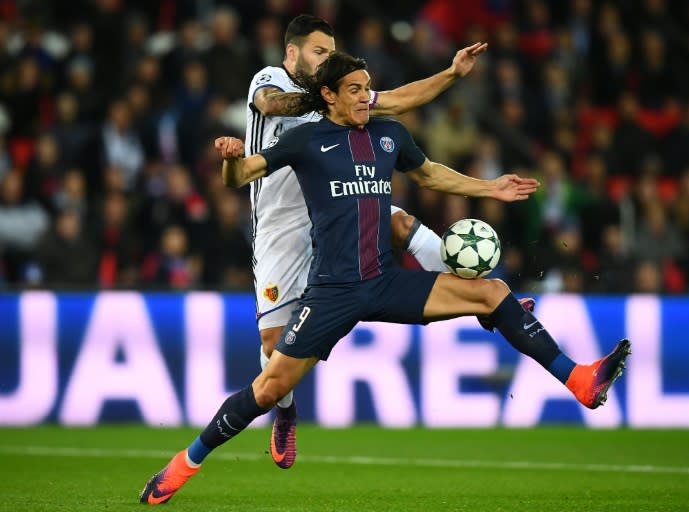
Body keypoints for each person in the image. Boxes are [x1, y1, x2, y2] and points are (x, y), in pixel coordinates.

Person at [139, 52, 631, 505]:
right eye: (354, 89)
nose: (364, 97)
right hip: (332, 292)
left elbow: (432, 175)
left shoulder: (388, 135)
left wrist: (490, 189)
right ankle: (184, 464)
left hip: (386, 280)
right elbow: (242, 175)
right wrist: (228, 159)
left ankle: (581, 380)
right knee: (268, 389)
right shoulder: (306, 140)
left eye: (368, 88)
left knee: (493, 291)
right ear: (328, 95)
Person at [241, 14, 533, 470]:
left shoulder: (340, 92)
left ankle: (484, 301)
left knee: (400, 224)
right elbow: (273, 105)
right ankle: (284, 411)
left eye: (330, 54)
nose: (326, 61)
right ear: (293, 53)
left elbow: (397, 100)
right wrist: (326, 98)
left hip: (344, 205)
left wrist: (452, 74)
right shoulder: (273, 79)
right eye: (319, 53)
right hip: (283, 226)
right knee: (274, 345)